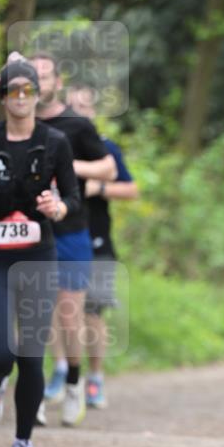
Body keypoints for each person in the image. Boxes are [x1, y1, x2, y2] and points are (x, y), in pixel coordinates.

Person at [0, 54, 81, 447]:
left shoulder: (55, 142)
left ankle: (22, 443)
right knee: (0, 351)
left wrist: (56, 208)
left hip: (38, 255)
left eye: (28, 90)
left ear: (37, 96)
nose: (21, 97)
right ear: (3, 97)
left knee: (31, 353)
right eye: (13, 91)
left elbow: (72, 200)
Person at [29, 54, 116, 426]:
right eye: (32, 76)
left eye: (45, 76)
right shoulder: (19, 124)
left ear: (57, 82)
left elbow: (108, 169)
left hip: (72, 230)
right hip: (29, 229)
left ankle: (76, 382)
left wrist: (66, 165)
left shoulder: (77, 126)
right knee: (32, 314)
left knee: (69, 314)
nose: (38, 83)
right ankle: (34, 390)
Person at [65, 81, 139, 408]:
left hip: (97, 240)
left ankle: (95, 376)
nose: (79, 113)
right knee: (63, 311)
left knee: (93, 309)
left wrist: (98, 189)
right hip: (61, 238)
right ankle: (66, 375)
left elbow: (131, 189)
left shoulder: (105, 147)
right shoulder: (53, 145)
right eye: (73, 107)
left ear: (93, 112)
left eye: (84, 107)